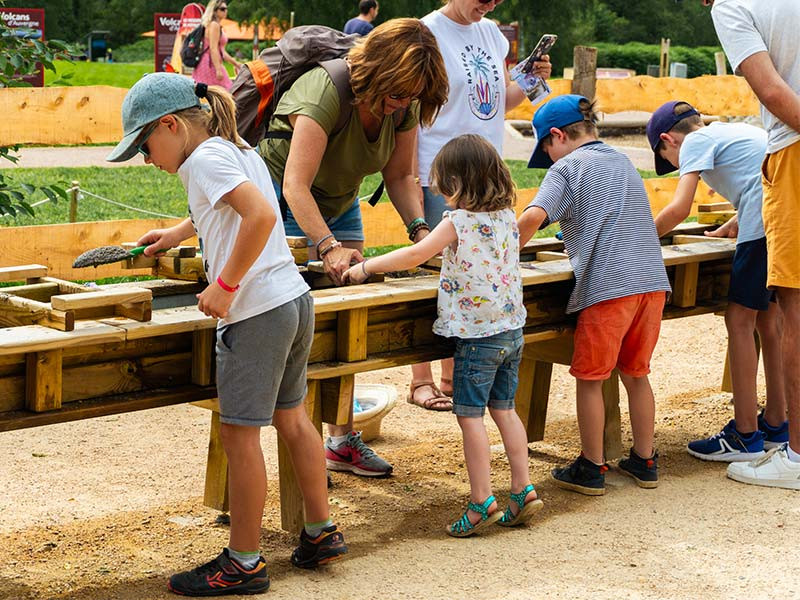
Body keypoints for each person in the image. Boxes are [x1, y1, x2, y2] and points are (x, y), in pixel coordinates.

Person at [106, 72, 346, 596]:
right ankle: (320, 531)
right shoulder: (234, 150)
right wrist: (177, 232)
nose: (147, 159)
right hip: (291, 301)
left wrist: (226, 285)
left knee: (240, 435)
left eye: (145, 146)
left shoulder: (202, 160)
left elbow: (259, 216)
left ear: (170, 125)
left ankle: (243, 562)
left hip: (255, 310)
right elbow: (234, 206)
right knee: (295, 420)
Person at [262, 18, 449, 479]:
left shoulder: (402, 102)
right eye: (397, 94)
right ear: (377, 73)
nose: (402, 105)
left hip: (340, 202)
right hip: (277, 203)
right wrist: (327, 246)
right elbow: (294, 185)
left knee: (348, 322)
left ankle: (340, 441)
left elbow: (401, 176)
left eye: (411, 98)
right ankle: (294, 450)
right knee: (296, 327)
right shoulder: (324, 89)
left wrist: (422, 234)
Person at [343, 134, 542, 536]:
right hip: (510, 330)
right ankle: (522, 489)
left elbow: (417, 255)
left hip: (478, 337)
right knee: (504, 410)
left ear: (456, 183)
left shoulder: (458, 222)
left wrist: (367, 268)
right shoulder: (505, 217)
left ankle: (481, 499)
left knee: (469, 417)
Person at [518, 95, 672, 496]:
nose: (549, 159)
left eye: (546, 150)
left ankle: (591, 465)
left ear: (557, 136)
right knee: (636, 374)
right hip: (651, 282)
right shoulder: (621, 160)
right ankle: (644, 459)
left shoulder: (567, 167)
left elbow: (532, 219)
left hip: (608, 287)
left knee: (590, 378)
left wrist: (498, 254)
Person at [409, 0, 553, 413]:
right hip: (441, 170)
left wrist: (530, 82)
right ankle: (421, 379)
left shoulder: (492, 33)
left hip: (485, 171)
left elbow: (493, 102)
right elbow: (415, 109)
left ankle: (455, 372)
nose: (489, 4)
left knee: (473, 273)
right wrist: (411, 178)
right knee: (429, 272)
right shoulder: (426, 32)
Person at [647, 100, 789, 462]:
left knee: (739, 320)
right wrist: (731, 225)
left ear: (668, 139)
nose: (675, 166)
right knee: (769, 322)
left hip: (764, 224)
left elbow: (679, 208)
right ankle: (777, 423)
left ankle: (744, 434)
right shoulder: (733, 132)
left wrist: (641, 239)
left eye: (667, 158)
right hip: (782, 220)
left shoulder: (694, 142)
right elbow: (755, 181)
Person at [706, 0, 800, 489]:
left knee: (788, 310)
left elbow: (771, 89)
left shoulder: (731, 7)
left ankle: (794, 454)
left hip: (794, 148)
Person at [191, 0, 241, 91]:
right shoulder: (214, 25)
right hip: (210, 64)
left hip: (209, 63)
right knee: (225, 91)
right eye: (222, 9)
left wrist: (236, 64)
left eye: (226, 9)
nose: (225, 11)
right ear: (214, 11)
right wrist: (218, 69)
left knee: (213, 94)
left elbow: (222, 51)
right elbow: (213, 49)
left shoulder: (213, 25)